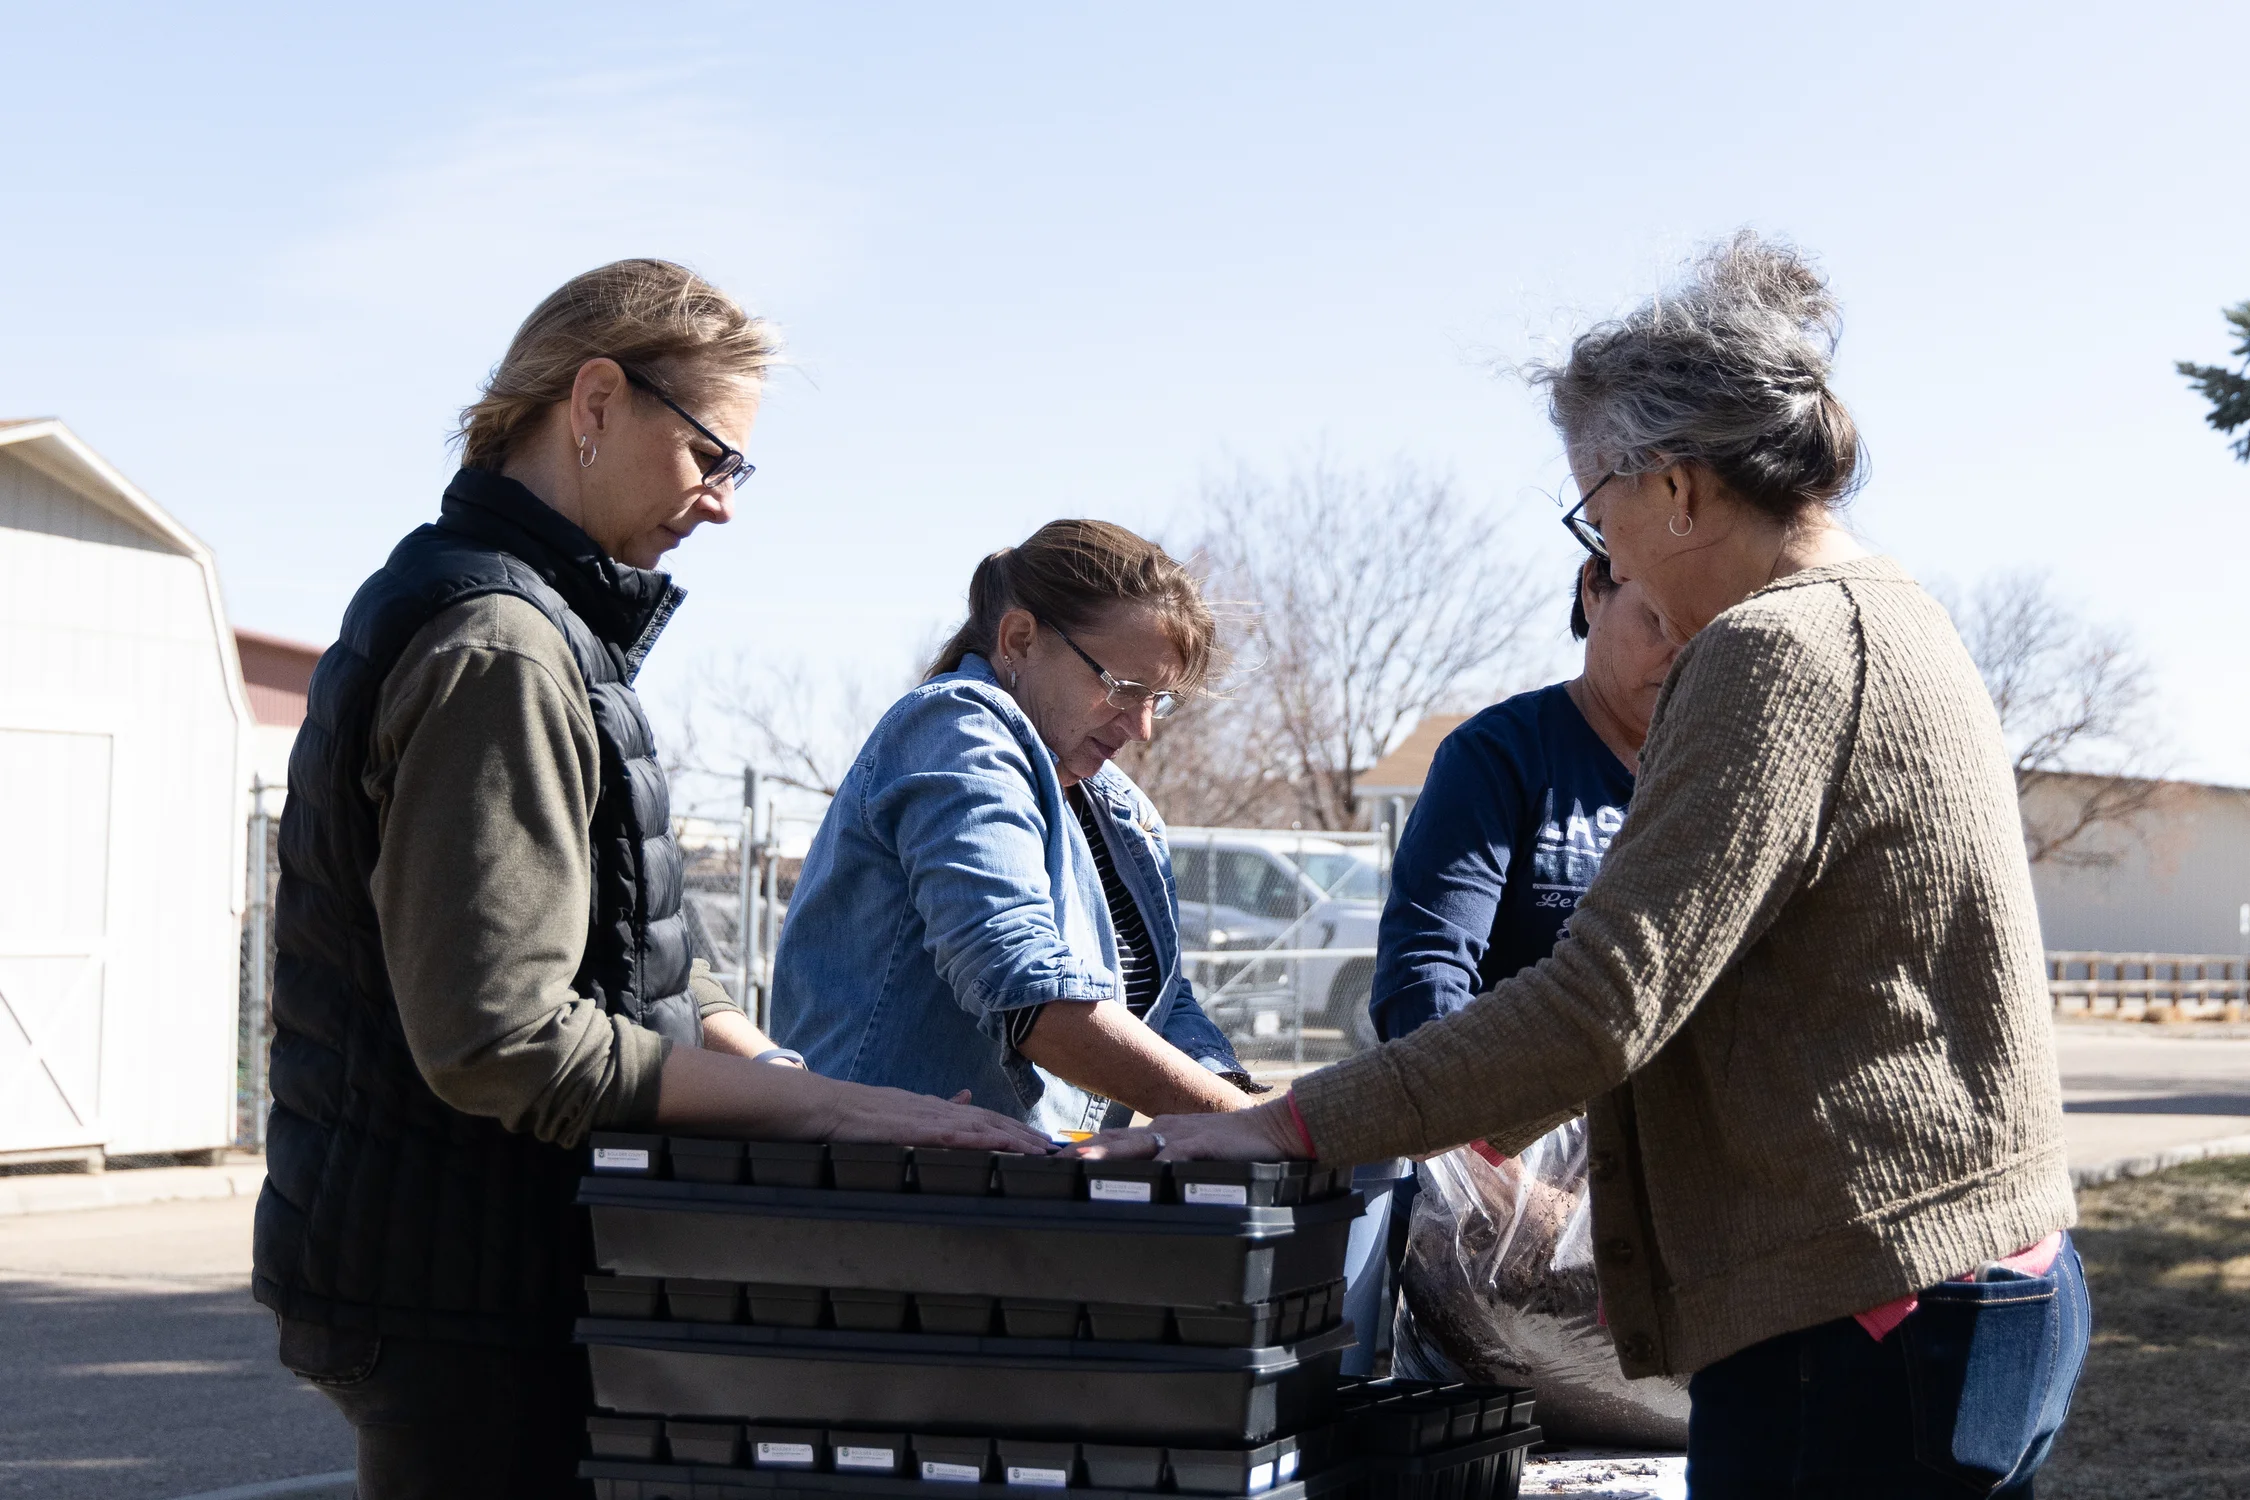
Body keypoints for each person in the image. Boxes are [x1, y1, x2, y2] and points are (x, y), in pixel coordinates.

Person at [1077, 233, 2088, 1498]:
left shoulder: (1772, 650)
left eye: (1593, 502)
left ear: (1675, 488)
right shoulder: (1899, 613)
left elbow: (1604, 1000)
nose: (1600, 544)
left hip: (1866, 1317)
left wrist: (1285, 1128)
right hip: (1986, 1275)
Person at [256, 260, 1047, 1500]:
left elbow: (612, 926)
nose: (724, 503)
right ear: (594, 402)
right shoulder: (499, 645)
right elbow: (500, 1037)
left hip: (484, 1275)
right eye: (711, 457)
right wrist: (829, 1112)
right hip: (467, 1294)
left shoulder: (534, 622)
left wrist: (755, 1050)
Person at [772, 520, 1263, 1138]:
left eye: (1158, 699)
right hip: (884, 1196)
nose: (1142, 728)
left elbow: (1160, 1006)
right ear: (1022, 639)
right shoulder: (956, 729)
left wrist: (1243, 1098)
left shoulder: (1117, 806)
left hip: (1005, 1197)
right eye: (1123, 688)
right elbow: (1022, 980)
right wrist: (1246, 1124)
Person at [1371, 556, 1677, 1043]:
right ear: (1595, 589)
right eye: (1660, 618)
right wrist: (1476, 1101)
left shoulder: (1728, 772)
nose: (1683, 649)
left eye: (1707, 627)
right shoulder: (1498, 754)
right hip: (1513, 1101)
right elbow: (1424, 975)